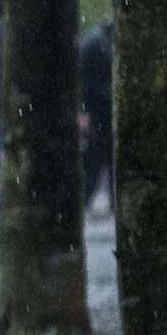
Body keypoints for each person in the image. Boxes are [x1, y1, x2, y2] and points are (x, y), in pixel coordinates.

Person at [77, 19, 113, 212]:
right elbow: (82, 80)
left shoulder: (95, 41)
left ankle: (86, 201)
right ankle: (85, 200)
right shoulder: (94, 43)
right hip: (98, 108)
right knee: (94, 157)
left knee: (96, 156)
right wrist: (82, 111)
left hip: (100, 107)